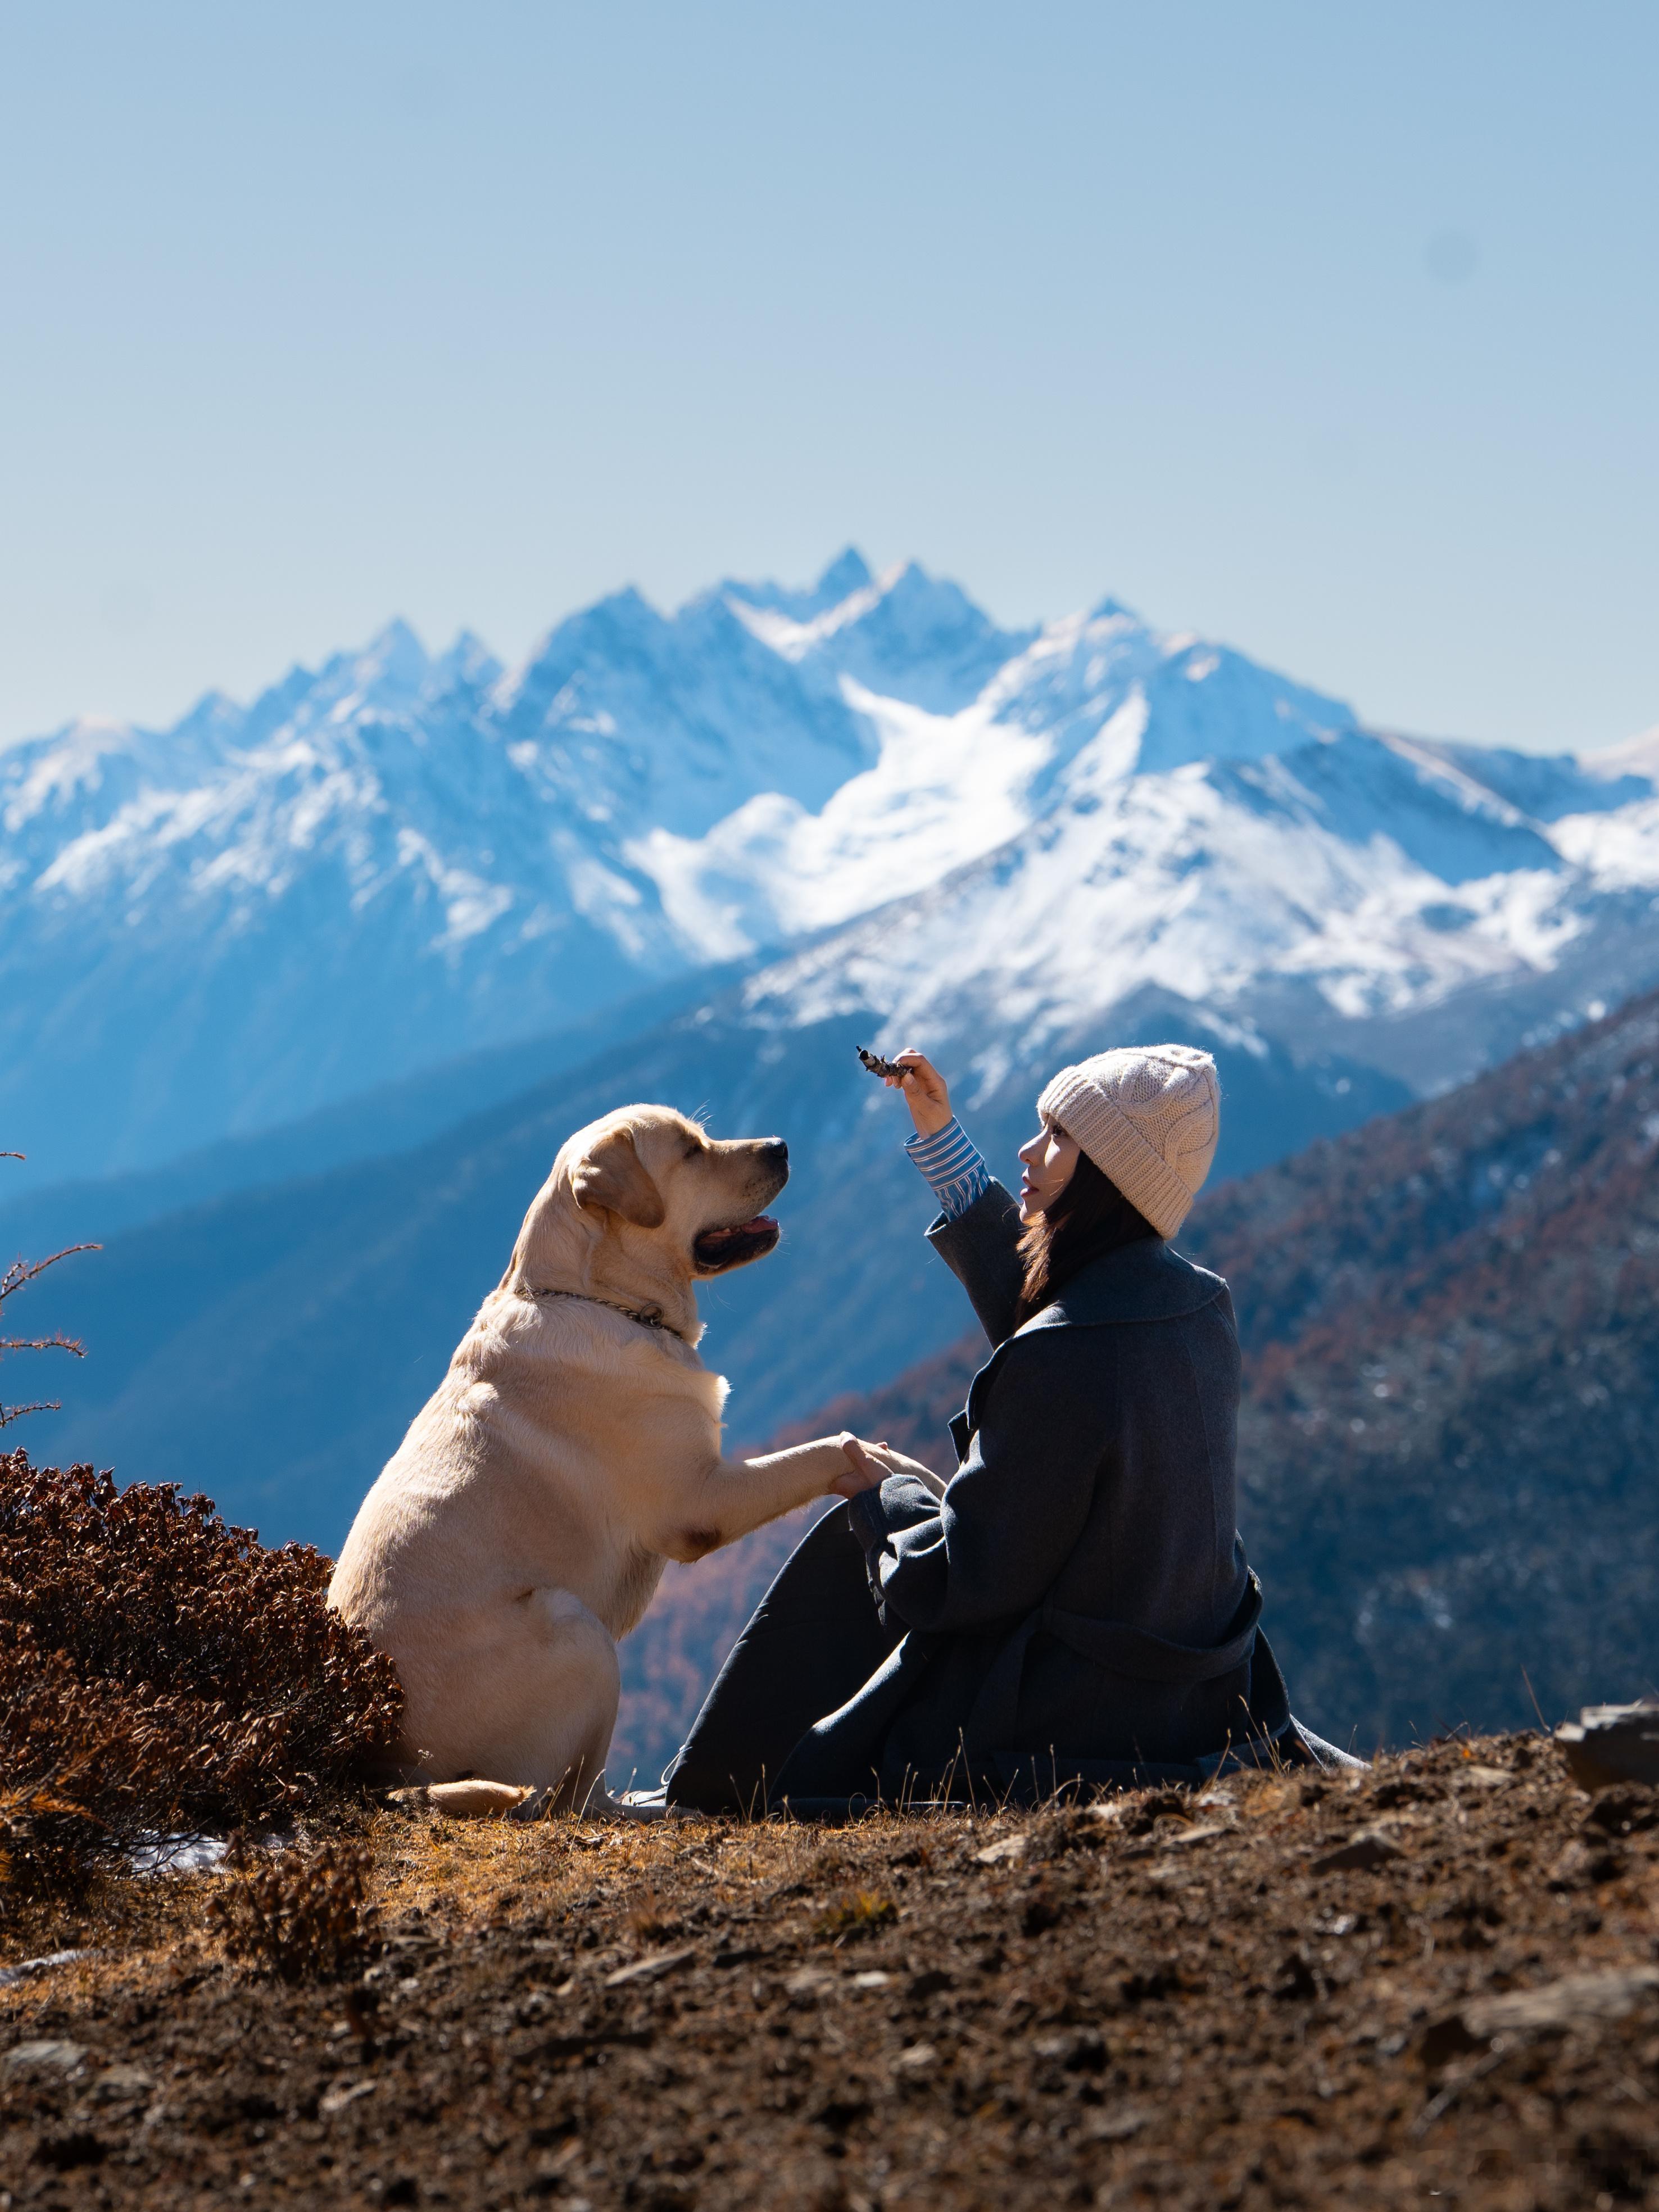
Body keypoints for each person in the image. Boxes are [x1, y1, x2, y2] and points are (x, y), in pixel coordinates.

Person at [662, 1042, 1354, 1812]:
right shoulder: (1198, 1307)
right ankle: (714, 1785)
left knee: (852, 1541)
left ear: (1106, 1177)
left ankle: (713, 1790)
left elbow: (962, 1582)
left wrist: (884, 1499)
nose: (1028, 1150)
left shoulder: (1063, 1352)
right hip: (1201, 1694)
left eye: (1058, 1136)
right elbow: (1063, 1318)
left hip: (1077, 1718)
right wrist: (941, 1136)